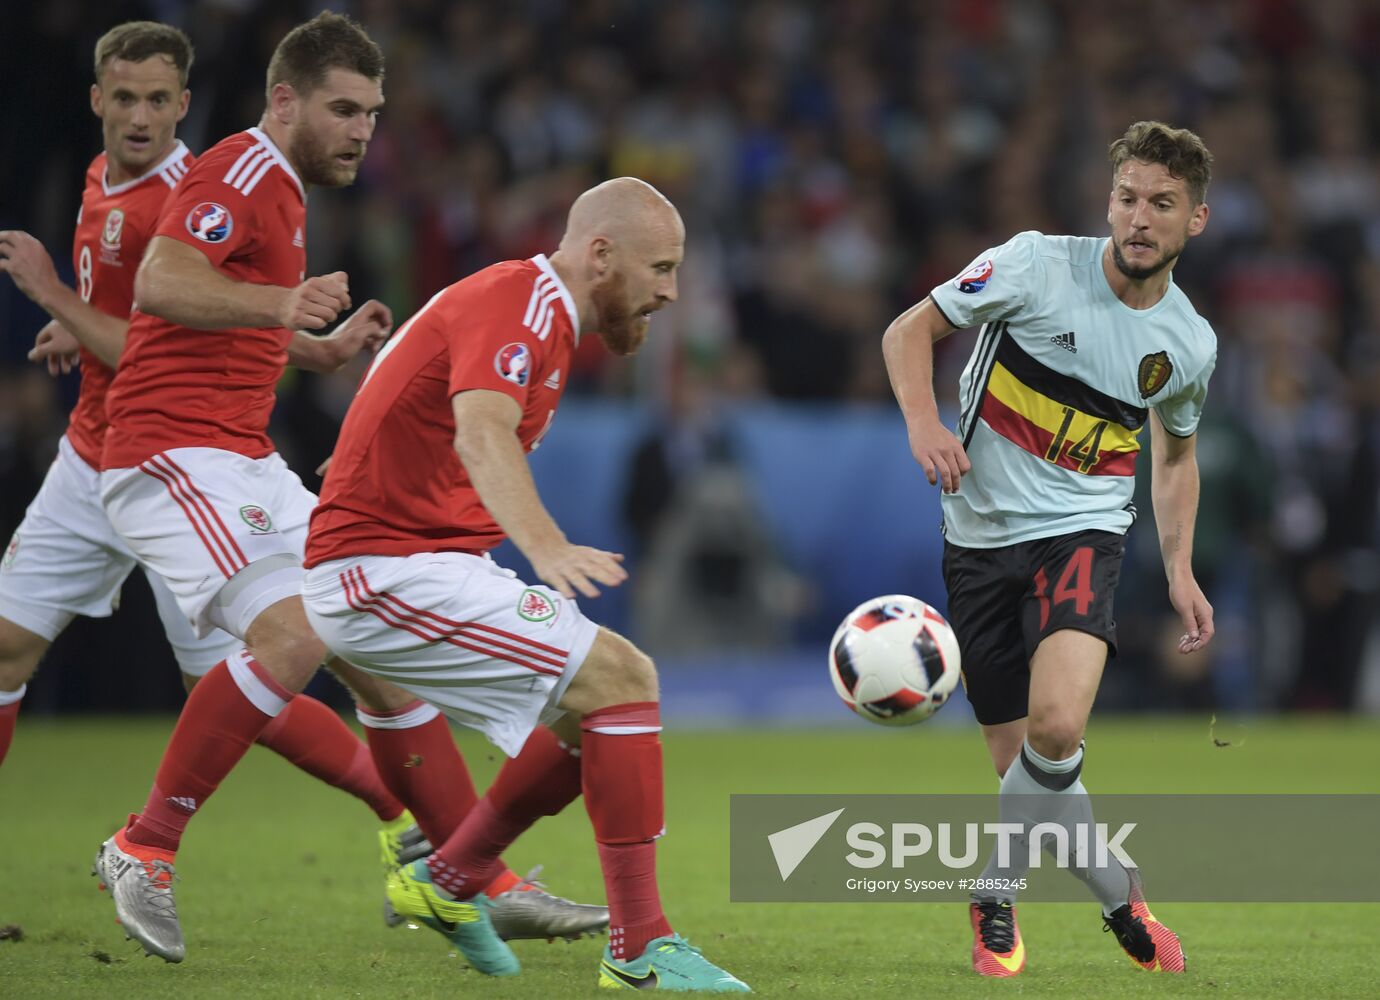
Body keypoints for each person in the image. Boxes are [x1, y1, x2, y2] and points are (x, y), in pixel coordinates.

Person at [89, 12, 604, 964]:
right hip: (171, 456)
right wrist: (281, 304)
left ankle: (470, 876)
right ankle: (143, 845)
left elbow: (214, 314)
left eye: (371, 111)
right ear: (284, 101)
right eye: (342, 109)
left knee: (375, 648)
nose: (362, 129)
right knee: (301, 631)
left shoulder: (281, 186)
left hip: (237, 452)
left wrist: (309, 348)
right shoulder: (241, 171)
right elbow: (163, 280)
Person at [300, 177, 749, 991]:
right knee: (623, 679)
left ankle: (449, 879)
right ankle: (640, 947)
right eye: (662, 268)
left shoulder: (526, 310)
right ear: (601, 254)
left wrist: (367, 457)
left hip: (410, 562)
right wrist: (542, 545)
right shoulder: (524, 303)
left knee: (593, 720)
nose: (671, 291)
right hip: (383, 570)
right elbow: (479, 428)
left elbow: (417, 397)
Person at [0, 20, 425, 860]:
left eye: (159, 99)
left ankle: (405, 820)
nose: (141, 117)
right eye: (124, 97)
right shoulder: (99, 180)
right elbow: (182, 324)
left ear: (183, 104)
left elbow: (157, 330)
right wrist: (82, 328)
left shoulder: (198, 189)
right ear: (97, 100)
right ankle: (412, 826)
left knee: (243, 677)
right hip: (98, 457)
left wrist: (56, 300)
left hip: (169, 457)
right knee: (8, 651)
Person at [881, 120, 1217, 977]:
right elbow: (907, 331)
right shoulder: (1033, 266)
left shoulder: (1188, 344)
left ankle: (994, 889)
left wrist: (1179, 568)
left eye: (1162, 204)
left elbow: (1175, 457)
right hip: (977, 541)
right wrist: (924, 423)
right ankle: (1123, 898)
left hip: (1083, 532)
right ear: (1110, 202)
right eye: (1128, 198)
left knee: (1059, 726)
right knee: (1032, 775)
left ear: (1196, 221)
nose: (1140, 219)